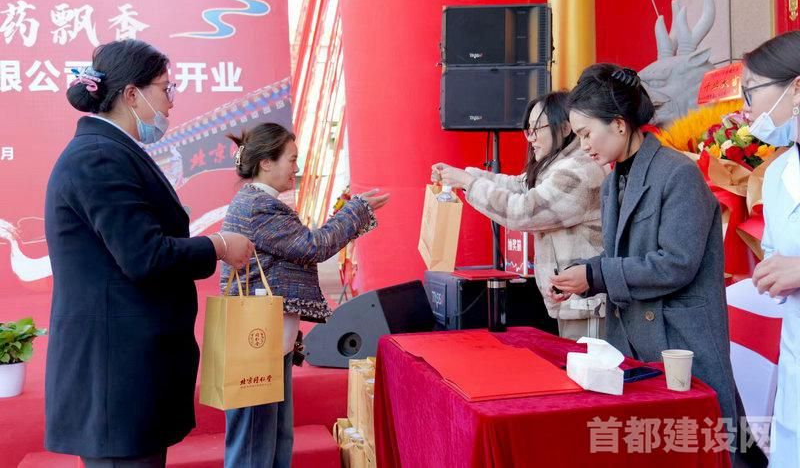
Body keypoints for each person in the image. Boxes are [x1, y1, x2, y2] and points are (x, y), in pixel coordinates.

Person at [44, 39, 254, 467]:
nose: (171, 101)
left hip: (129, 373)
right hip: (115, 377)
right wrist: (217, 246)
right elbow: (144, 256)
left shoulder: (112, 150)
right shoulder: (99, 157)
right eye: (165, 88)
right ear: (131, 94)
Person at [552, 63, 766, 466]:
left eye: (585, 133)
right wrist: (583, 275)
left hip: (679, 343)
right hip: (633, 341)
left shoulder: (678, 173)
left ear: (618, 124)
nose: (583, 146)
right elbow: (623, 256)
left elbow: (675, 264)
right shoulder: (614, 180)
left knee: (708, 450)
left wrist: (597, 274)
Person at [220, 122, 389, 467]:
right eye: (292, 159)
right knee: (255, 444)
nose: (296, 168)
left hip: (265, 338)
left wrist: (353, 212)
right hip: (257, 340)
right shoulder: (259, 206)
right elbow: (312, 246)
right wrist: (355, 211)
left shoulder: (256, 202)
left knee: (272, 439)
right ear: (266, 162)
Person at [431, 91, 607, 340]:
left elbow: (523, 211)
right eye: (527, 130)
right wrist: (464, 177)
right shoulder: (556, 167)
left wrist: (468, 182)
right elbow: (516, 185)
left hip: (588, 305)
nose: (530, 138)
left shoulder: (578, 171)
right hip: (576, 302)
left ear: (565, 127)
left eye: (536, 129)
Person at [745, 31, 800, 466]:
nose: (745, 107)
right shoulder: (779, 172)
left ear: (795, 88)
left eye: (751, 91)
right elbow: (775, 251)